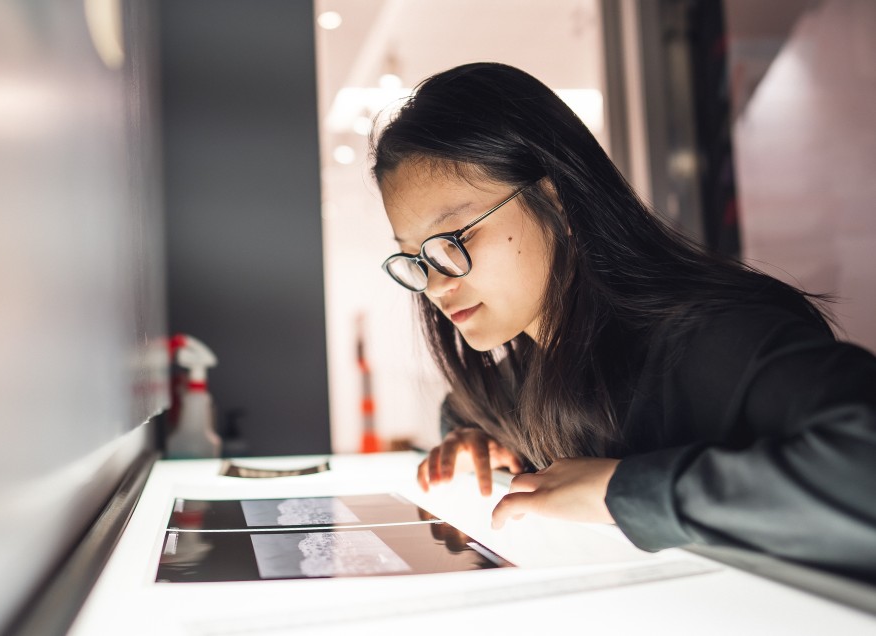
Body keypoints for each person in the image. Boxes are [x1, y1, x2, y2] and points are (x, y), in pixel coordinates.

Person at [373, 62, 876, 582]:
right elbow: (465, 411)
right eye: (415, 259)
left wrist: (622, 492)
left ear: (557, 199)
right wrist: (475, 439)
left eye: (453, 239)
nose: (435, 285)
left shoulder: (716, 336)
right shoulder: (527, 365)